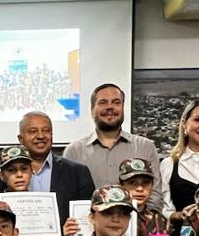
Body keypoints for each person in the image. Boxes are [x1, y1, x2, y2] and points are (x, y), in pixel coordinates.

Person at [63, 83, 164, 212]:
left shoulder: (146, 147)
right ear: (92, 110)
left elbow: (154, 197)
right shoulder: (74, 152)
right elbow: (68, 198)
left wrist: (137, 225)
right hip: (89, 228)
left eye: (116, 102)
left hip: (137, 228)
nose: (110, 107)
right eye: (103, 102)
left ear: (123, 108)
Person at [17, 110, 95, 224]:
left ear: (52, 135)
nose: (40, 136)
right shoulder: (10, 173)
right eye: (33, 131)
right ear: (21, 139)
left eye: (46, 131)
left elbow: (87, 217)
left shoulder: (77, 172)